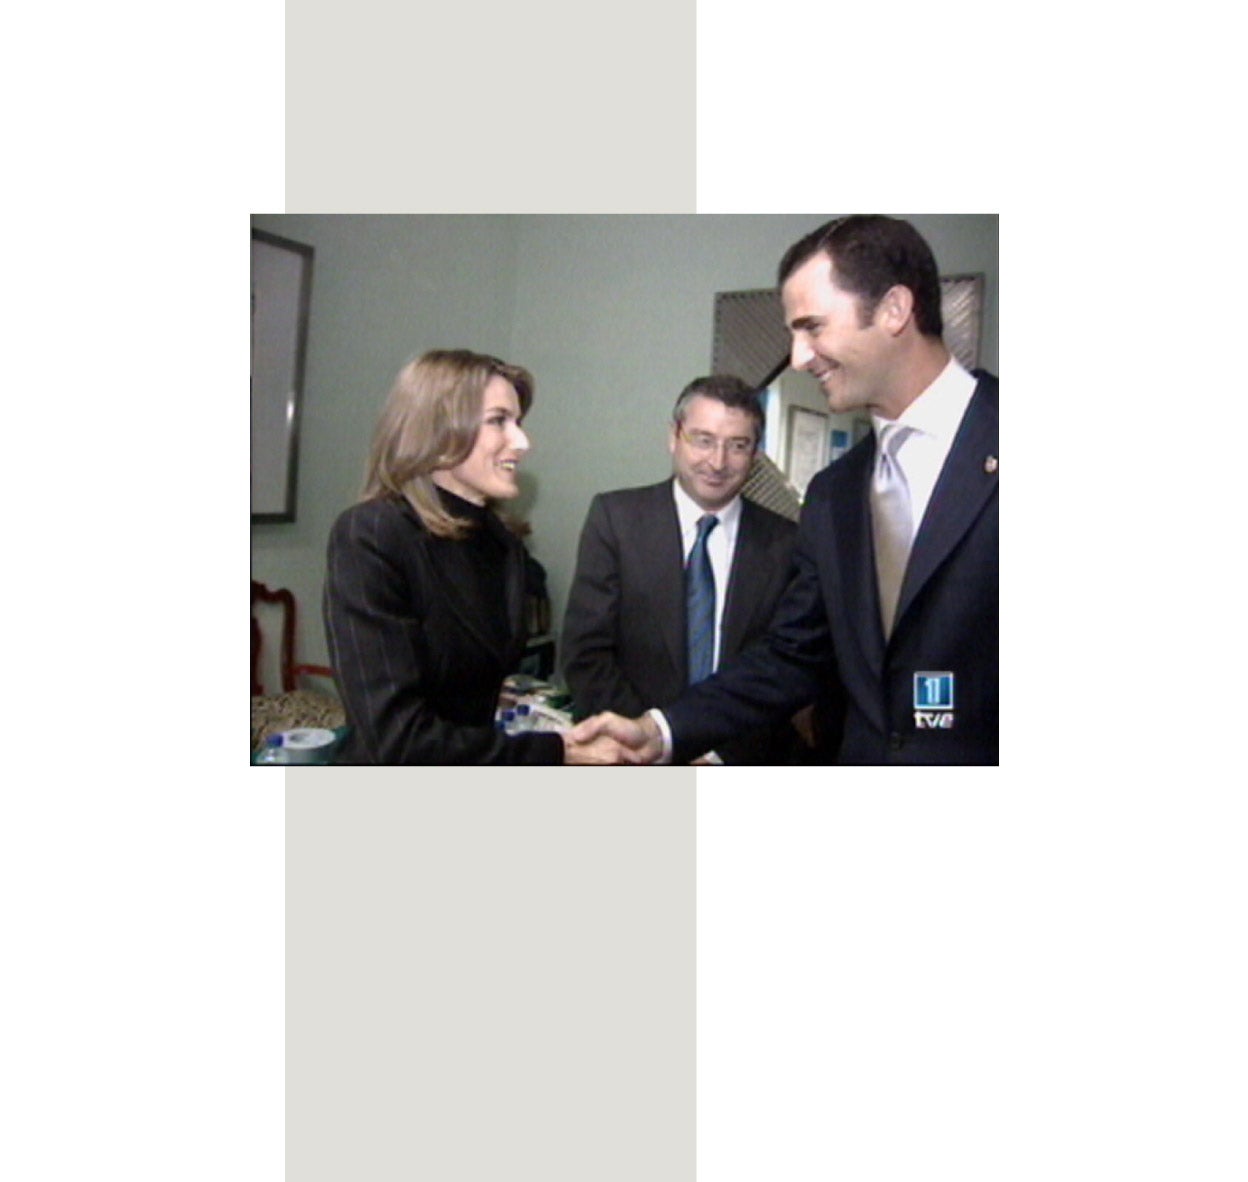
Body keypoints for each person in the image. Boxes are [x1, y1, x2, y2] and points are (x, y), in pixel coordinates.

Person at [571, 215, 999, 765]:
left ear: (894, 309)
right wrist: (664, 731)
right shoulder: (834, 494)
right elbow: (794, 657)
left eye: (812, 327)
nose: (798, 357)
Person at [323, 348, 621, 765]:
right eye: (499, 421)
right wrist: (558, 751)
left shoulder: (501, 542)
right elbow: (396, 740)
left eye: (518, 422)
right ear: (439, 433)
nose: (523, 442)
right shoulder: (371, 534)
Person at [561, 375, 811, 764]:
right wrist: (654, 748)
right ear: (674, 437)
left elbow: (784, 670)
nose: (718, 462)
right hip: (631, 759)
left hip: (741, 759)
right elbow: (586, 654)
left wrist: (714, 755)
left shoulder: (787, 542)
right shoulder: (616, 519)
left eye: (738, 445)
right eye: (703, 440)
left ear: (755, 453)